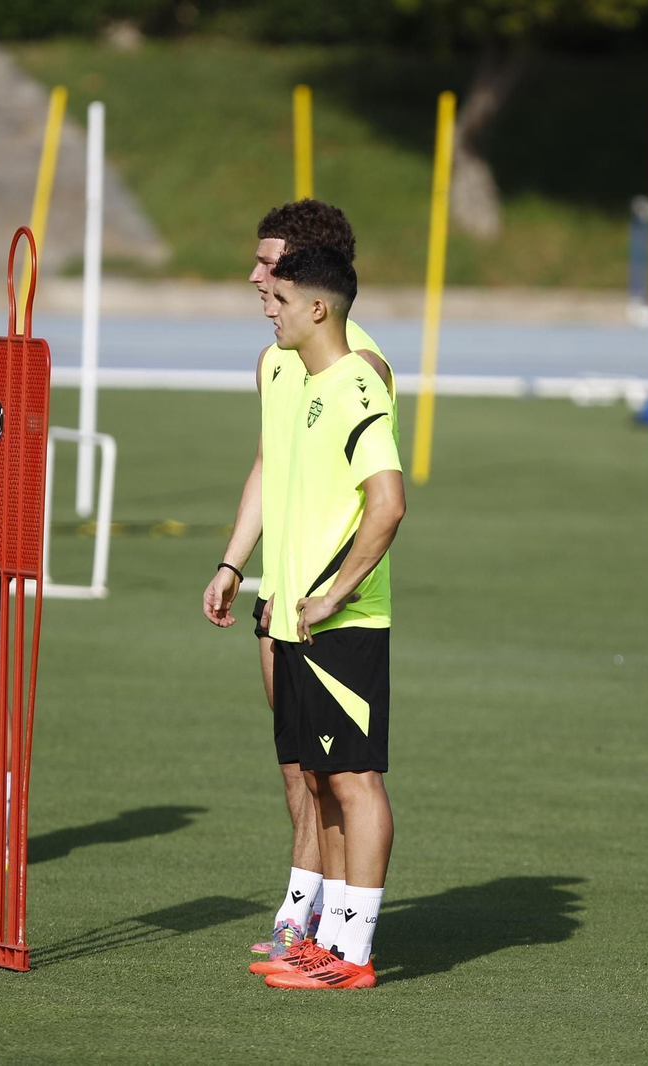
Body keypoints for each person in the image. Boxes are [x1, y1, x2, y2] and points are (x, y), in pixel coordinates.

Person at [201, 201, 393, 963]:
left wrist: (332, 589)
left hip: (328, 608)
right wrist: (233, 561)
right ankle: (305, 911)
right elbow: (271, 464)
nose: (257, 278)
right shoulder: (276, 358)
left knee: (343, 771)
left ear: (312, 282)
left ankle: (332, 932)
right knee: (300, 767)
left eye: (271, 267)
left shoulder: (358, 365)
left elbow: (379, 497)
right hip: (278, 600)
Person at [258, 245, 404, 990]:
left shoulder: (355, 386)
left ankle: (353, 956)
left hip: (342, 626)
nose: (267, 306)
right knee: (325, 778)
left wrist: (337, 592)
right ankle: (333, 945)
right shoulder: (310, 383)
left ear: (317, 307)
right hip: (299, 623)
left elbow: (389, 502)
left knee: (355, 780)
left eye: (279, 298)